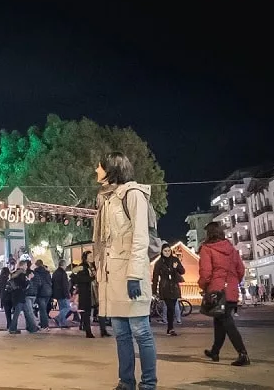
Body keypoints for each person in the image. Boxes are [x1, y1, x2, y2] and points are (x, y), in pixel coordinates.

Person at [95, 152, 157, 390]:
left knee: (141, 332)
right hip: (112, 277)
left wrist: (134, 276)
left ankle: (149, 384)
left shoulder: (134, 194)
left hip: (131, 274)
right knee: (121, 333)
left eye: (99, 167)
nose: (96, 171)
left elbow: (140, 238)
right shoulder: (108, 198)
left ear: (112, 168)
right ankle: (126, 382)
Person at [199, 222, 250, 366]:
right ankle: (215, 351)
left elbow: (206, 272)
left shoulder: (207, 249)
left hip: (217, 290)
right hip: (231, 290)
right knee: (220, 320)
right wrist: (233, 283)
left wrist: (203, 285)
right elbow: (240, 269)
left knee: (226, 321)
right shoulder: (231, 249)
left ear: (209, 234)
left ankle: (243, 353)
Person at [73, 250, 111, 338]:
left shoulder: (93, 266)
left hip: (95, 291)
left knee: (99, 310)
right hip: (86, 292)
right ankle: (88, 331)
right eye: (89, 256)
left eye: (91, 256)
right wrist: (91, 278)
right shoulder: (82, 267)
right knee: (86, 312)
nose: (91, 258)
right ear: (85, 258)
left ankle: (103, 330)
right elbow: (78, 278)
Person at [152, 244, 185, 336]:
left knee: (172, 307)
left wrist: (176, 267)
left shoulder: (175, 260)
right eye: (165, 251)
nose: (167, 253)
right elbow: (155, 277)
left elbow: (182, 271)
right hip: (165, 287)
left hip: (174, 286)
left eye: (168, 251)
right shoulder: (159, 262)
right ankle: (170, 328)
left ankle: (170, 327)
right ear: (162, 252)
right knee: (169, 307)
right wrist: (154, 291)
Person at [9, 261, 38, 334]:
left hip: (16, 295)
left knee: (26, 312)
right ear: (23, 265)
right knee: (17, 313)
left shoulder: (15, 273)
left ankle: (32, 327)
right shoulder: (22, 274)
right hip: (21, 295)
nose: (26, 267)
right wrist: (29, 279)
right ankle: (12, 328)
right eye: (25, 265)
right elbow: (24, 285)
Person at [31, 259, 53, 331]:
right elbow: (50, 282)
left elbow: (37, 283)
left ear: (36, 265)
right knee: (44, 308)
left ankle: (45, 325)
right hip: (48, 291)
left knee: (42, 309)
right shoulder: (47, 272)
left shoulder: (36, 272)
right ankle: (42, 323)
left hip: (41, 292)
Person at [52, 259, 71, 328]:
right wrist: (67, 294)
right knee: (67, 308)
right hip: (63, 293)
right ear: (64, 265)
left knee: (62, 308)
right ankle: (58, 318)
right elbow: (65, 285)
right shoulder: (63, 273)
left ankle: (63, 323)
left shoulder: (55, 273)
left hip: (57, 294)